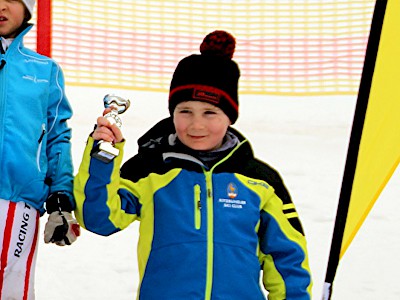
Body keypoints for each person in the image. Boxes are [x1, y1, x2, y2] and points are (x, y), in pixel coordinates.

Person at [74, 30, 312, 299]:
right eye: (185, 111)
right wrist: (103, 158)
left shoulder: (260, 181)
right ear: (172, 114)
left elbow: (287, 258)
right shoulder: (151, 170)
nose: (197, 124)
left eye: (210, 113)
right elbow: (100, 219)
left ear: (230, 117)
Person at [0, 0, 80, 298]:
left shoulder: (45, 71)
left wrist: (61, 195)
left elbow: (58, 135)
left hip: (19, 200)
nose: (1, 7)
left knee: (12, 290)